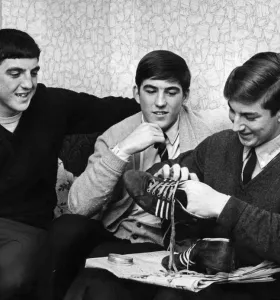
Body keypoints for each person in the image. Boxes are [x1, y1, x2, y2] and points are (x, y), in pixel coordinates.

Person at [127, 52, 280, 299]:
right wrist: (167, 177)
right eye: (233, 111)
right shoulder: (220, 144)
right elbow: (151, 180)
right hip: (211, 277)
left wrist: (221, 205)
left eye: (250, 116)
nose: (236, 126)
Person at [65, 50, 231, 300]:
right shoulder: (115, 135)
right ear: (136, 93)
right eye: (151, 90)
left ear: (185, 96)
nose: (160, 102)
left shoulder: (208, 137)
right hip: (122, 239)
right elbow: (78, 206)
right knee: (94, 283)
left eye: (171, 92)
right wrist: (123, 150)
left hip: (177, 247)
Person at [0, 28, 141, 300]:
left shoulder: (50, 104)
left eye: (34, 72)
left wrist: (158, 101)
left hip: (29, 230)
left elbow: (111, 108)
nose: (28, 83)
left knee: (10, 281)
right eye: (15, 73)